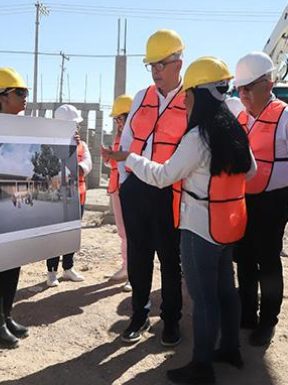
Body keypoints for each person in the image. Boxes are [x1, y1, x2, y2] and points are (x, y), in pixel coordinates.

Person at [104, 56, 255, 384]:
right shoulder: (232, 128)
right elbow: (251, 171)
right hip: (228, 224)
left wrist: (129, 158)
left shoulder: (198, 137)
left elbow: (163, 175)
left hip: (200, 225)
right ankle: (230, 348)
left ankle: (201, 368)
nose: (183, 101)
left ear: (199, 96)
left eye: (188, 95)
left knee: (204, 300)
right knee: (227, 291)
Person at [233, 51, 288, 346]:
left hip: (273, 201)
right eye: (239, 88)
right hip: (245, 200)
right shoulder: (241, 117)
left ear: (268, 84)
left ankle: (268, 320)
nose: (242, 94)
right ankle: (247, 313)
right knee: (243, 257)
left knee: (267, 261)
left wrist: (287, 191)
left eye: (248, 88)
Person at [115, 29, 186, 346]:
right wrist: (127, 181)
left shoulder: (192, 98)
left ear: (178, 63)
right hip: (138, 188)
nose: (156, 71)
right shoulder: (142, 96)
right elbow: (128, 142)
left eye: (161, 64)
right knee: (139, 258)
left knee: (171, 261)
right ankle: (139, 316)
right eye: (152, 65)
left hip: (172, 192)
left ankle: (171, 321)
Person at [0, 67, 31, 347]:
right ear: (2, 97)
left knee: (13, 264)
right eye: (19, 92)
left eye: (26, 92)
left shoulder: (25, 128)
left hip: (16, 204)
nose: (25, 97)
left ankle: (7, 315)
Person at [46, 104, 91, 287]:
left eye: (77, 126)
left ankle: (68, 267)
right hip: (58, 197)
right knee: (56, 235)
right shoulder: (50, 145)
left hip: (78, 195)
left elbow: (87, 162)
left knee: (72, 234)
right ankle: (51, 272)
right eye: (73, 125)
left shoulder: (81, 144)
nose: (76, 129)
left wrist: (80, 168)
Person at [106, 94, 133, 292]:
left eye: (120, 118)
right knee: (123, 232)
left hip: (130, 188)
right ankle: (127, 268)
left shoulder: (138, 136)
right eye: (116, 120)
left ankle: (133, 272)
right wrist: (108, 158)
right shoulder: (118, 137)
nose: (118, 123)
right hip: (117, 188)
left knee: (133, 233)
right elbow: (115, 163)